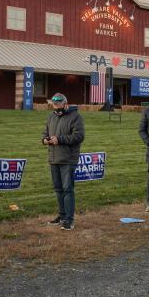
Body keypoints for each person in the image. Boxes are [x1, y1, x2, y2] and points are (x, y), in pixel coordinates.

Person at [42, 93, 85, 231]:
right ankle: (61, 216)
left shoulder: (76, 116)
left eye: (59, 105)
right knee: (58, 189)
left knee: (67, 190)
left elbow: (79, 136)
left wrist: (59, 139)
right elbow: (44, 133)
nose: (56, 108)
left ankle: (69, 220)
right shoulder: (51, 116)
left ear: (65, 104)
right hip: (53, 158)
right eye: (54, 106)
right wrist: (44, 140)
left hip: (68, 159)